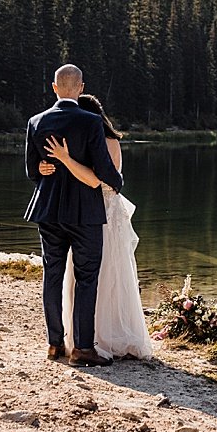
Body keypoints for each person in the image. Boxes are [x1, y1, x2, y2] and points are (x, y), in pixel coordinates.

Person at [39, 93, 155, 360]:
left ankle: (78, 338)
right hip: (87, 214)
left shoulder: (97, 142)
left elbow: (103, 180)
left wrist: (65, 161)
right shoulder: (87, 142)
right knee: (96, 276)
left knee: (100, 274)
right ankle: (85, 339)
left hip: (98, 211)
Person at [22, 64, 123, 367]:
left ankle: (54, 344)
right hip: (84, 213)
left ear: (54, 88)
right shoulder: (91, 122)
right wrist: (117, 184)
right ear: (80, 88)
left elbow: (31, 170)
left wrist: (42, 169)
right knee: (86, 278)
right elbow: (104, 169)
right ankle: (82, 349)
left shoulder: (36, 121)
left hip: (49, 211)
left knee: (52, 275)